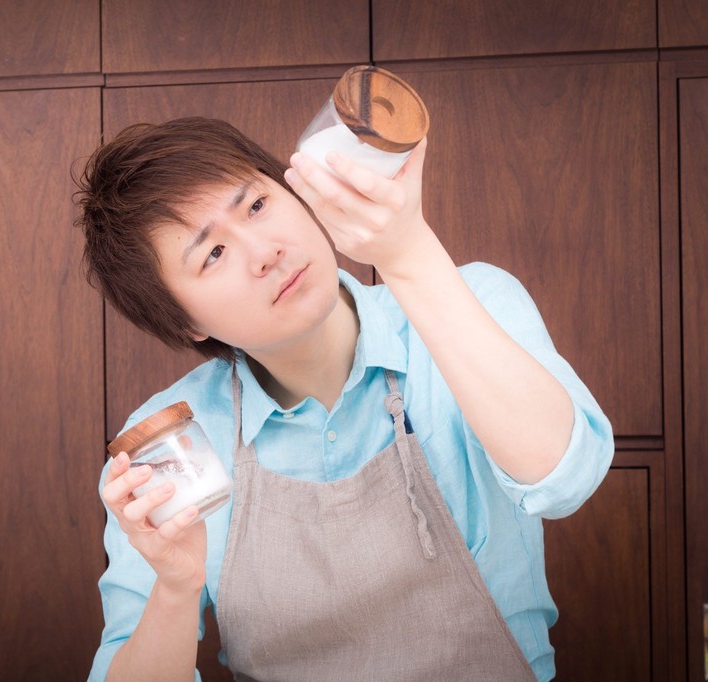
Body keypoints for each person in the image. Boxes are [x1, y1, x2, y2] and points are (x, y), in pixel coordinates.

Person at [73, 116, 613, 681]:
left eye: (256, 205)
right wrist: (177, 588)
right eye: (213, 254)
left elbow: (565, 480)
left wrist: (409, 252)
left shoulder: (469, 301)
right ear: (185, 323)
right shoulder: (174, 440)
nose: (265, 252)